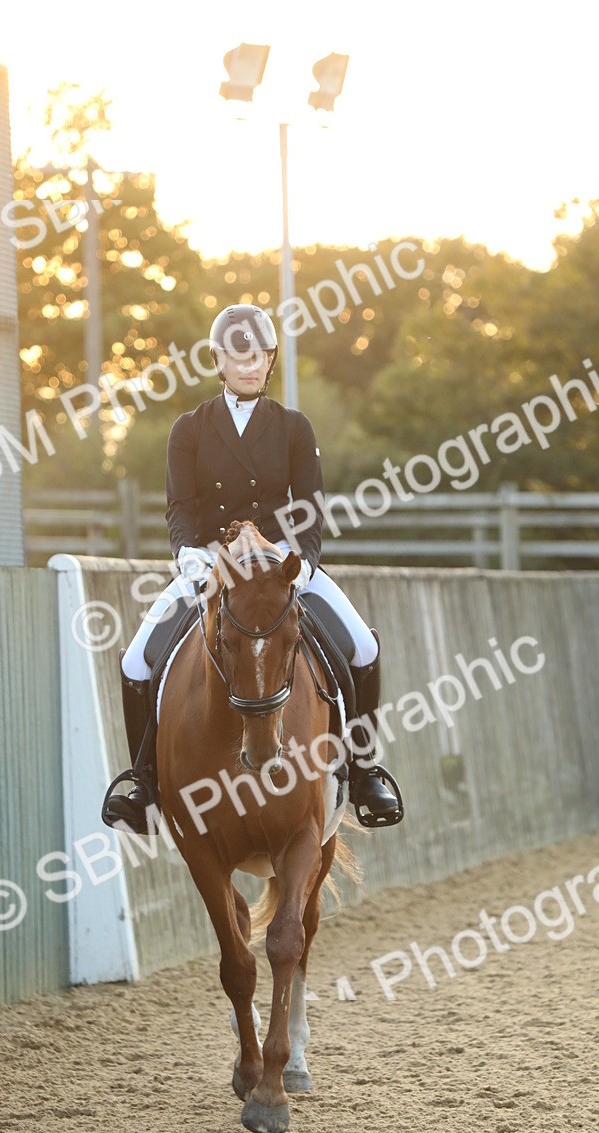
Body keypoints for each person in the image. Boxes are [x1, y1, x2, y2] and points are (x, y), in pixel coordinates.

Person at [102, 303, 402, 834]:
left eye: (258, 356)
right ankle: (144, 783)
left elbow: (310, 507)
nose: (248, 366)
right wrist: (187, 553)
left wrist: (302, 563)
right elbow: (181, 506)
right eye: (238, 357)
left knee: (363, 647)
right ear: (218, 361)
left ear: (269, 361)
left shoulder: (292, 427)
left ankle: (362, 773)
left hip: (279, 562)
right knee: (134, 662)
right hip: (211, 562)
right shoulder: (189, 428)